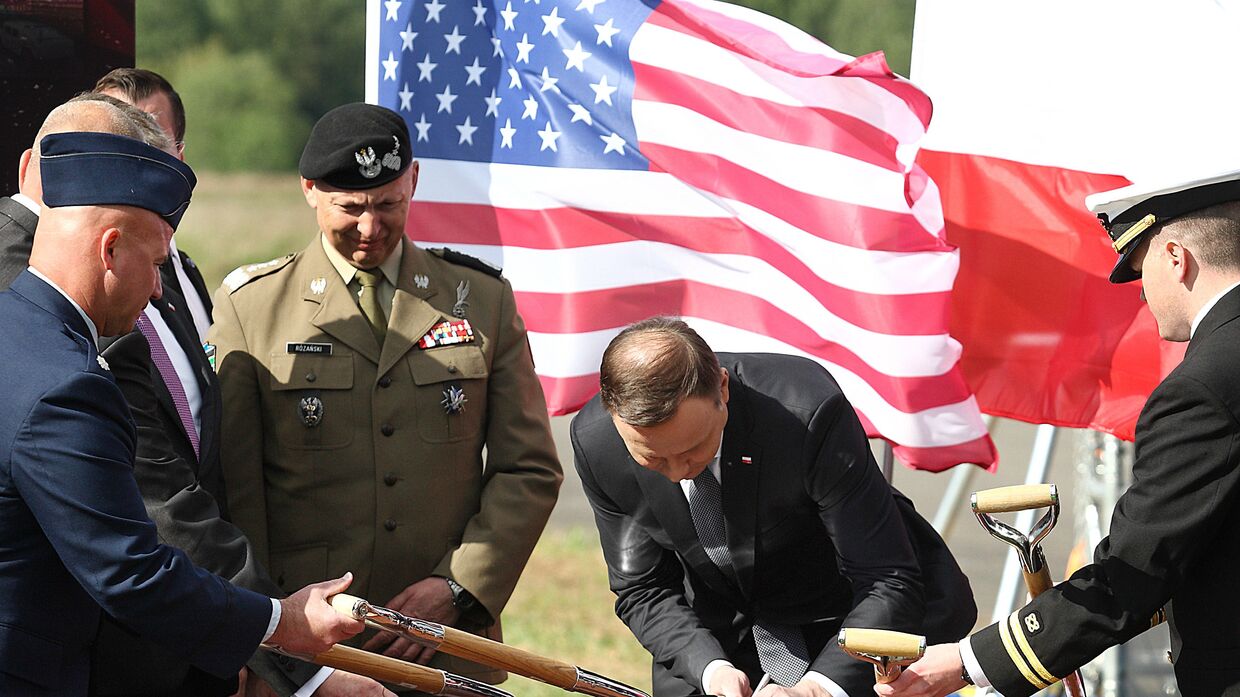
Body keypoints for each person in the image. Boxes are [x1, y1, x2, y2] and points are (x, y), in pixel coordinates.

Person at [0, 123, 364, 696]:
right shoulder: (67, 386)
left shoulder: (17, 329)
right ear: (111, 248)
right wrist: (282, 623)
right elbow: (130, 572)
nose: (156, 292)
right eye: (155, 264)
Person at [208, 102, 563, 683]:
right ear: (309, 191)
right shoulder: (251, 308)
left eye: (388, 205)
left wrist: (457, 587)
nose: (370, 228)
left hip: (447, 644)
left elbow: (528, 468)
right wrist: (264, 632)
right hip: (307, 650)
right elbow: (236, 490)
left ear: (414, 181)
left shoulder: (481, 300)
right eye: (349, 208)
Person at [877, 170, 1240, 697]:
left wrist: (968, 662)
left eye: (1140, 274)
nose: (1144, 297)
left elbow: (1135, 573)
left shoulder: (1202, 388)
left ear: (1176, 258)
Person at [85, 72, 390, 697]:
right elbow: (162, 494)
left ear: (180, 157)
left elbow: (215, 468)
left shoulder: (184, 276)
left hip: (208, 633)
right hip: (132, 641)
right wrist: (283, 652)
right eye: (118, 146)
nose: (134, 166)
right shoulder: (88, 297)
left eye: (153, 145)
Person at [571, 317, 976, 697]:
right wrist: (711, 668)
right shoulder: (597, 445)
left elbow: (886, 576)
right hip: (717, 636)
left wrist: (816, 688)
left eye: (694, 448)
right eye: (652, 459)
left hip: (847, 624)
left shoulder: (808, 413)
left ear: (723, 390)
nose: (678, 473)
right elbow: (643, 589)